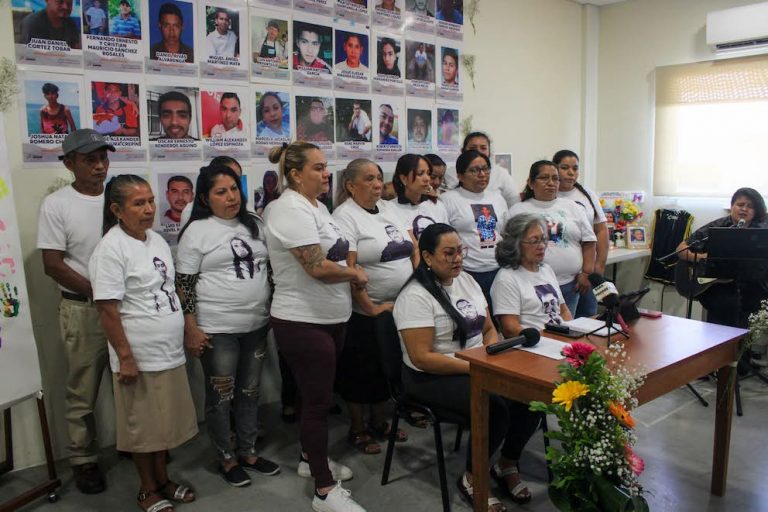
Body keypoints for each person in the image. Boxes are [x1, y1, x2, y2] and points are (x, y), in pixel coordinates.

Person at [393, 223, 541, 512]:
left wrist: (490, 355)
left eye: (460, 251)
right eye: (449, 253)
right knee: (495, 406)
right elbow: (421, 357)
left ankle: (506, 463)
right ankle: (473, 478)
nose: (458, 258)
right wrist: (475, 368)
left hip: (476, 364)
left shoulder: (467, 281)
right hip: (429, 377)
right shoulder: (415, 296)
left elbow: (489, 329)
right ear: (427, 257)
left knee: (529, 395)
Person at [264, 142, 368, 512]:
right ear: (295, 174)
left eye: (326, 167)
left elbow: (335, 253)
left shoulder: (317, 207)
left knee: (314, 398)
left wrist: (349, 271)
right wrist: (354, 274)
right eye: (318, 168)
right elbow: (316, 267)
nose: (326, 174)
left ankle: (311, 460)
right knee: (318, 404)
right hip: (302, 320)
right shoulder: (287, 209)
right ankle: (324, 490)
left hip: (331, 318)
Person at [89, 174, 197, 512]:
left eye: (150, 201)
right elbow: (107, 310)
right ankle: (147, 488)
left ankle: (163, 480)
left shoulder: (156, 240)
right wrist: (126, 357)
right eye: (139, 203)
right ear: (117, 210)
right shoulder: (111, 249)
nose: (149, 209)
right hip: (139, 355)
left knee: (163, 427)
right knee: (143, 428)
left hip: (168, 352)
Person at [176, 164, 279, 487]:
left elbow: (269, 271)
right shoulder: (197, 231)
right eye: (221, 192)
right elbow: (184, 285)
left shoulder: (254, 224)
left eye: (234, 189)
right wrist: (191, 327)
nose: (231, 197)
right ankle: (226, 457)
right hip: (217, 329)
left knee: (250, 392)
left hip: (256, 325)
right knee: (221, 397)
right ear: (205, 198)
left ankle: (248, 452)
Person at [37, 129, 114, 495]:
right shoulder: (57, 205)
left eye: (103, 158)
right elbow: (52, 264)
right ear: (69, 164)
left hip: (125, 308)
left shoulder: (119, 197)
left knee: (131, 380)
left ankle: (137, 444)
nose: (100, 166)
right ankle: (83, 459)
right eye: (90, 160)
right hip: (84, 310)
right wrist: (99, 293)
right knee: (82, 390)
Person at [332, 159, 415, 456]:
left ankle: (379, 420)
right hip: (365, 310)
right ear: (350, 185)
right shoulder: (345, 216)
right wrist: (369, 308)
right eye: (369, 179)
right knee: (360, 369)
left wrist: (417, 287)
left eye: (379, 177)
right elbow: (350, 267)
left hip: (399, 306)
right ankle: (357, 428)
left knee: (385, 366)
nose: (377, 184)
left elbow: (413, 247)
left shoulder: (389, 208)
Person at [508, 160, 597, 316]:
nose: (551, 183)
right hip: (532, 285)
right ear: (530, 183)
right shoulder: (517, 210)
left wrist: (586, 273)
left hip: (570, 284)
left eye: (555, 178)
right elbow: (509, 247)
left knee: (568, 325)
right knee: (544, 326)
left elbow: (589, 241)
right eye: (544, 178)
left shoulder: (573, 207)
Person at [676, 187, 768, 328]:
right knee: (721, 315)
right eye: (740, 204)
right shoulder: (718, 226)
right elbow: (681, 249)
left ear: (756, 211)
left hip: (753, 290)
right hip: (719, 291)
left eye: (750, 206)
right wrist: (703, 257)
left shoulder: (763, 230)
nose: (744, 209)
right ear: (732, 207)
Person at [441, 151, 510, 310]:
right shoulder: (448, 200)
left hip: (498, 270)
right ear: (460, 175)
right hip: (466, 272)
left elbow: (505, 234)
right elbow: (443, 240)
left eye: (485, 169)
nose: (482, 174)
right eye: (474, 170)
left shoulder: (497, 198)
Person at [492, 213, 573, 340]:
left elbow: (563, 311)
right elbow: (510, 328)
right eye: (535, 241)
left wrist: (570, 335)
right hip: (534, 344)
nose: (542, 246)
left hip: (560, 338)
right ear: (516, 244)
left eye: (543, 239)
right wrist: (543, 341)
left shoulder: (546, 269)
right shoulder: (506, 278)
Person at [553, 149, 608, 318]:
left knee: (589, 317)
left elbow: (601, 230)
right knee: (566, 321)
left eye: (575, 168)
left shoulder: (587, 194)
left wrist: (598, 266)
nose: (571, 173)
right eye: (565, 168)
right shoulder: (549, 195)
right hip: (563, 275)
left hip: (588, 269)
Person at [444, 132, 521, 209]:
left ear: (489, 152)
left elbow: (514, 203)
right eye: (473, 148)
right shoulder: (449, 174)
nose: (478, 151)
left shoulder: (501, 174)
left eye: (483, 148)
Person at [390, 154, 448, 240]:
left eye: (428, 173)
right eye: (420, 174)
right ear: (404, 179)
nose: (427, 179)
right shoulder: (390, 209)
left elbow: (446, 237)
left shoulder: (437, 205)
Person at [180, 156, 242, 228]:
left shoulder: (242, 204)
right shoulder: (189, 212)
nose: (232, 196)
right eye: (221, 192)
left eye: (237, 180)